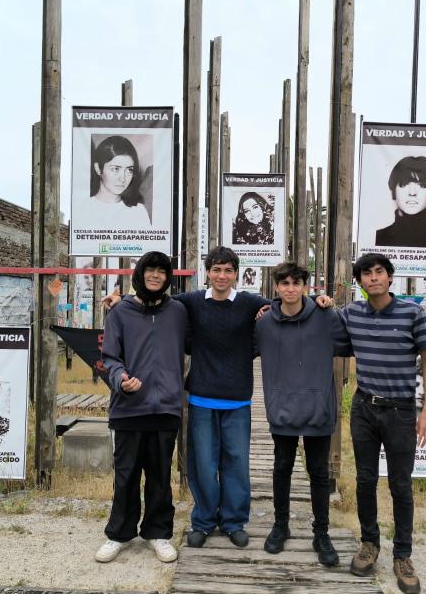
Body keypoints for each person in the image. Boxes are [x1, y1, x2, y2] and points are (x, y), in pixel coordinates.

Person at [103, 246, 332, 550]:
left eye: (228, 270)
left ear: (236, 274)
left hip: (238, 398)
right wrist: (121, 300)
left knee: (236, 463)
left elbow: (287, 301)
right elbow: (153, 301)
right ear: (207, 272)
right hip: (201, 397)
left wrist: (317, 300)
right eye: (216, 269)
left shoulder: (251, 303)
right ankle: (204, 520)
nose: (222, 276)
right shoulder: (192, 302)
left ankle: (234, 521)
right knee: (203, 465)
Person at [343, 253, 426, 594]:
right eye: (366, 274)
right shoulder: (351, 313)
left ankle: (403, 555)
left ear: (390, 277)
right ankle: (370, 543)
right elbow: (323, 322)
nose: (373, 278)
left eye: (379, 272)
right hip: (364, 408)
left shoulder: (413, 313)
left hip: (401, 411)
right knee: (365, 479)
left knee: (401, 483)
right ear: (360, 281)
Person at [254, 262, 352, 566]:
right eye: (284, 283)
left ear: (305, 286)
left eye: (296, 283)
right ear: (277, 287)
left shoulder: (325, 318)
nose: (290, 288)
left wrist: (335, 307)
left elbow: (348, 345)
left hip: (318, 409)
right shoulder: (264, 323)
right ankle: (280, 525)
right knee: (282, 467)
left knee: (319, 472)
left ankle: (321, 532)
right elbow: (242, 348)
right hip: (282, 408)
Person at [95, 251, 187, 564]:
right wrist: (120, 379)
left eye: (162, 271)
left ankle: (158, 533)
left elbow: (216, 301)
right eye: (151, 270)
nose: (156, 276)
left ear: (168, 277)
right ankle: (119, 534)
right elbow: (109, 357)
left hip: (166, 409)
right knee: (126, 475)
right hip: (129, 408)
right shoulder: (120, 312)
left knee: (160, 476)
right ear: (140, 274)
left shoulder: (179, 311)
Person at [375, 156, 426, 249]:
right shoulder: (379, 237)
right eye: (403, 184)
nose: (412, 193)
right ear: (393, 191)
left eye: (422, 185)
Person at [87, 135, 151, 228]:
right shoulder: (84, 208)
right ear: (98, 168)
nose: (123, 178)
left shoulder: (138, 211)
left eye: (129, 170)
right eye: (116, 169)